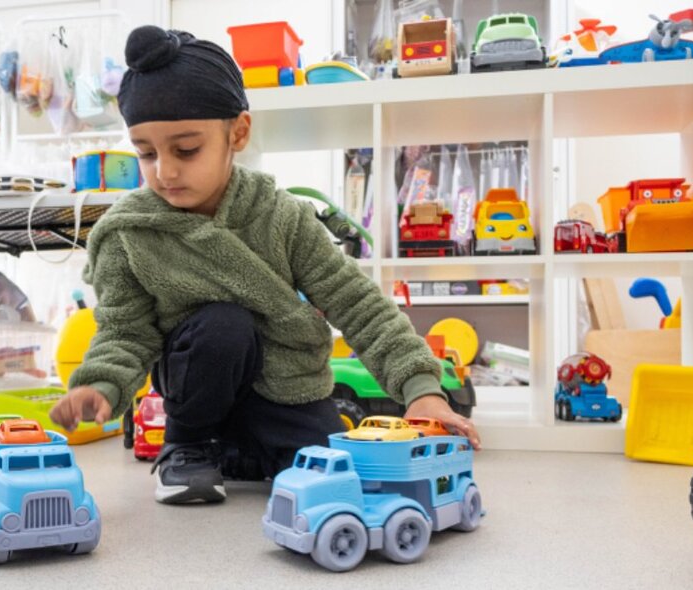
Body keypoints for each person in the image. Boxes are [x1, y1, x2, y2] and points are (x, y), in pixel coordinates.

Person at [49, 25, 481, 505]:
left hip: (288, 391)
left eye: (186, 150)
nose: (165, 171)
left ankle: (245, 454)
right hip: (199, 390)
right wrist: (102, 383)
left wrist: (421, 388)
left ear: (238, 132)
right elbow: (125, 331)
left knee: (335, 480)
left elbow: (358, 305)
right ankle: (188, 447)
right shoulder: (128, 233)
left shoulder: (283, 217)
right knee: (223, 324)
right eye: (146, 153)